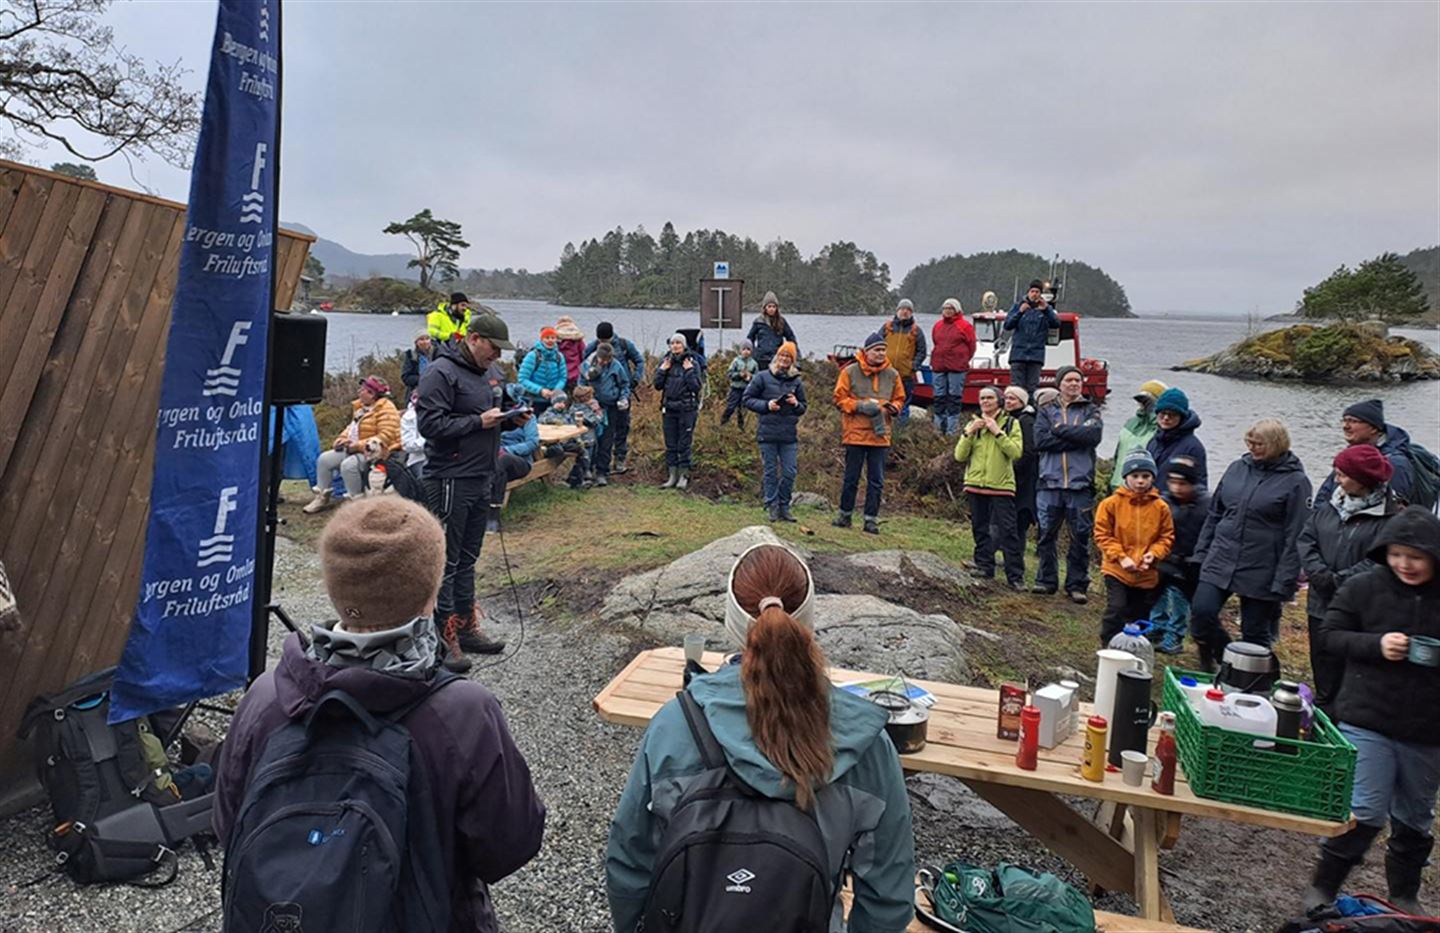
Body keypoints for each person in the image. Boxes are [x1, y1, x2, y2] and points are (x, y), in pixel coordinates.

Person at [214, 497, 546, 933]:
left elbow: (227, 825)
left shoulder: (265, 697)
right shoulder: (463, 711)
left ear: (337, 589)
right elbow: (508, 846)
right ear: (432, 589)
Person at [604, 543, 917, 933]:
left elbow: (629, 860)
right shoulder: (868, 744)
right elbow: (889, 893)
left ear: (732, 623)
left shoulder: (675, 724)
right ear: (808, 621)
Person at [1307, 506, 1440, 914]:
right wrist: (1376, 645)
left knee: (1416, 817)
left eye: (1415, 557)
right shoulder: (1365, 587)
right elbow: (1330, 635)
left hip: (1428, 727)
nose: (1405, 564)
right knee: (1365, 808)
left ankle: (1404, 895)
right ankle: (1322, 888)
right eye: (1397, 554)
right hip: (1368, 717)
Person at [416, 310, 516, 669]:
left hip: (481, 475)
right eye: (493, 347)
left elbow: (492, 411)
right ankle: (442, 639)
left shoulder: (489, 372)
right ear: (473, 339)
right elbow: (429, 424)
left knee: (469, 559)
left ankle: (466, 626)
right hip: (449, 477)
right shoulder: (439, 373)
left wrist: (511, 416)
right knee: (447, 560)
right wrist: (478, 422)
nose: (498, 356)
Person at [1190, 418, 1311, 661]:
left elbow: (1296, 533)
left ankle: (1254, 681)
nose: (1253, 448)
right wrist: (1201, 553)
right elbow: (1215, 513)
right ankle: (1228, 658)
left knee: (1254, 633)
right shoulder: (1237, 468)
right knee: (1201, 613)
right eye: (1250, 442)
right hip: (1221, 557)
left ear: (1276, 444)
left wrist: (1285, 580)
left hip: (1262, 566)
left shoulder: (1296, 482)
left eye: (1259, 444)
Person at [1297, 444, 1400, 712]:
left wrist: (1339, 581)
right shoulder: (1331, 504)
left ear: (1363, 479)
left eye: (1342, 474)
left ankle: (1342, 722)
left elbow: (1379, 559)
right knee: (1321, 663)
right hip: (1319, 600)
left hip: (1357, 607)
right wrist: (1318, 573)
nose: (1336, 479)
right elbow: (1307, 539)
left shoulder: (1389, 517)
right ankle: (1322, 713)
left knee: (1346, 668)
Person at [1032, 366, 1104, 603]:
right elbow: (1041, 441)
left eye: (1078, 380)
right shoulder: (1046, 411)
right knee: (1045, 536)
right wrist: (1075, 437)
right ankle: (1046, 580)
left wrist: (1061, 430)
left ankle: (1077, 584)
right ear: (1059, 384)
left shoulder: (1091, 410)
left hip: (1079, 484)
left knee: (1080, 537)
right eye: (1069, 380)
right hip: (1049, 482)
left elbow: (1092, 437)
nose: (1074, 384)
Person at [1094, 449, 1176, 644]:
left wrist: (1153, 555)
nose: (1140, 481)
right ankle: (1108, 645)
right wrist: (1121, 557)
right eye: (1135, 476)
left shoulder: (1161, 507)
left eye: (1146, 476)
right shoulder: (1110, 504)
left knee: (1139, 613)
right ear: (1126, 477)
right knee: (1117, 608)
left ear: (1153, 478)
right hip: (1116, 568)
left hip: (1146, 572)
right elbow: (1102, 534)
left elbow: (1166, 537)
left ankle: (1133, 648)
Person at [832, 331, 906, 535]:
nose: (881, 353)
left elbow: (900, 398)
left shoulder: (893, 374)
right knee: (851, 477)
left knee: (876, 480)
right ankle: (844, 515)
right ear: (866, 352)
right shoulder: (849, 372)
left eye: (883, 350)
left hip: (881, 436)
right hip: (855, 433)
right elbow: (839, 399)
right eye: (877, 350)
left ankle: (870, 519)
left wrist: (893, 408)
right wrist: (859, 406)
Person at [954, 386, 1025, 589]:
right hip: (975, 484)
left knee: (1009, 531)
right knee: (980, 528)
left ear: (999, 401)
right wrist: (968, 433)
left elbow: (1016, 452)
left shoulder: (1012, 423)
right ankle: (984, 565)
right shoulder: (972, 424)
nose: (985, 401)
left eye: (990, 398)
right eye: (982, 398)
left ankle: (1015, 576)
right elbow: (959, 456)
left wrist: (997, 432)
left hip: (1001, 485)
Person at [304, 375, 401, 514]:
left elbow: (385, 437)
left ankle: (357, 504)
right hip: (355, 448)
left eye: (363, 390)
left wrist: (357, 446)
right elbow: (351, 428)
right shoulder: (361, 408)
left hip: (377, 453)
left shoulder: (386, 410)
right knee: (324, 460)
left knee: (348, 465)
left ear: (372, 394)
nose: (359, 392)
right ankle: (321, 497)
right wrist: (341, 439)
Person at [743, 341, 807, 522]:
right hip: (767, 432)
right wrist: (766, 405)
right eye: (782, 355)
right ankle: (772, 505)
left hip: (788, 434)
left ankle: (784, 506)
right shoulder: (762, 377)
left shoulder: (796, 381)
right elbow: (747, 399)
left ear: (792, 360)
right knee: (770, 472)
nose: (784, 359)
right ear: (777, 356)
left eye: (788, 357)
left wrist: (796, 404)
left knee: (789, 472)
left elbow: (803, 407)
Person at [1314, 399, 1417, 506]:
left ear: (1373, 428)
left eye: (1353, 421)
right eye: (1344, 420)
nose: (1345, 426)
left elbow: (1394, 509)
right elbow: (1325, 495)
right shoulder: (1349, 457)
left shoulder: (1395, 463)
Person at [584, 322, 644, 473]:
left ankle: (620, 459)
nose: (603, 343)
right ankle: (597, 464)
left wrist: (635, 379)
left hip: (622, 392)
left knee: (622, 427)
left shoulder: (624, 345)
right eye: (600, 340)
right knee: (603, 432)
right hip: (600, 399)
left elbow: (639, 361)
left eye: (606, 340)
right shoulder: (593, 348)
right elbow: (583, 363)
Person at [654, 333, 702, 490]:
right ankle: (672, 475)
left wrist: (688, 371)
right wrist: (662, 370)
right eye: (672, 343)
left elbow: (696, 387)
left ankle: (684, 475)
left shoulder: (692, 363)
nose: (675, 346)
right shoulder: (666, 362)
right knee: (671, 444)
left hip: (687, 409)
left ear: (684, 345)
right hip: (669, 409)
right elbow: (657, 385)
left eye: (678, 343)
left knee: (684, 444)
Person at [580, 340, 632, 486]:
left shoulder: (616, 366)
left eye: (607, 359)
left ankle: (603, 471)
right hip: (591, 408)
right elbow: (581, 383)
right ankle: (587, 470)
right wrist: (587, 399)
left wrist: (623, 398)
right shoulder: (587, 364)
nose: (604, 362)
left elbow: (624, 384)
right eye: (602, 359)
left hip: (611, 408)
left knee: (607, 440)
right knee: (590, 439)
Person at [490, 386, 539, 533]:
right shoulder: (496, 415)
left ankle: (493, 516)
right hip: (492, 456)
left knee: (501, 462)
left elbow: (532, 443)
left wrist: (507, 450)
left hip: (519, 460)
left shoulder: (526, 416)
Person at [1003, 279, 1060, 398]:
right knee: (1016, 389)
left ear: (1041, 294)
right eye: (1032, 291)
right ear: (1028, 292)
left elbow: (1056, 324)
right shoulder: (1018, 306)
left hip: (1036, 355)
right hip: (1018, 355)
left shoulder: (1046, 309)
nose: (1035, 294)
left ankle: (1030, 412)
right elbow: (1007, 325)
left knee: (1032, 389)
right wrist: (1020, 312)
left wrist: (1047, 310)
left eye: (1037, 292)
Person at [1108, 380, 1167, 491]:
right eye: (1141, 400)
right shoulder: (1130, 423)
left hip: (1140, 489)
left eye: (1147, 401)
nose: (1142, 404)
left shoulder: (1160, 428)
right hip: (1118, 485)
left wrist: (1153, 412)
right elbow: (1118, 454)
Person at [930, 297, 976, 435]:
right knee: (939, 397)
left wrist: (963, 359)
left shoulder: (965, 326)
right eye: (945, 308)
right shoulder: (937, 326)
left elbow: (971, 345)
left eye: (950, 308)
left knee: (954, 398)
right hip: (939, 365)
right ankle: (938, 429)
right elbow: (935, 341)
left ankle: (951, 430)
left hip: (957, 367)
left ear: (957, 310)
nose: (947, 311)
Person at [1147, 388, 1208, 490]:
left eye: (1172, 414)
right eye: (1162, 413)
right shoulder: (1153, 441)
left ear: (1181, 417)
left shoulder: (1193, 447)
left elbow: (1200, 486)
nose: (1166, 418)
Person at [1004, 385, 1039, 553]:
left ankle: (1015, 555)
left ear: (1022, 401)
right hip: (1014, 476)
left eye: (1012, 399)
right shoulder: (1009, 418)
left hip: (1025, 478)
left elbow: (1029, 451)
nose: (1008, 402)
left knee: (1019, 517)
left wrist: (1013, 469)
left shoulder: (1026, 421)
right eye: (1006, 398)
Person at [882, 299, 928, 421]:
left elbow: (922, 351)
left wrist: (913, 366)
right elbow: (876, 346)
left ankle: (902, 432)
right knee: (884, 403)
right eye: (902, 309)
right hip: (885, 374)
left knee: (904, 404)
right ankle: (886, 430)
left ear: (911, 313)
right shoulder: (887, 327)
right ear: (897, 311)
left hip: (906, 376)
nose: (905, 312)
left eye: (908, 310)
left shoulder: (916, 330)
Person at [517, 326, 567, 413]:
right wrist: (540, 390)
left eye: (553, 337)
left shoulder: (559, 356)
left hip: (553, 401)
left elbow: (562, 377)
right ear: (542, 339)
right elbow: (522, 379)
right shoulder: (532, 356)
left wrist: (556, 390)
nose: (550, 340)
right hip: (534, 401)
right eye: (547, 337)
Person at [745, 291, 799, 370]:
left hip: (777, 358)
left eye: (774, 306)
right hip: (760, 359)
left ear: (777, 308)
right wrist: (753, 353)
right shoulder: (758, 322)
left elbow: (791, 338)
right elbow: (749, 339)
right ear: (765, 307)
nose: (772, 309)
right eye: (769, 306)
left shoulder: (782, 322)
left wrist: (792, 354)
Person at [568, 385, 603, 489]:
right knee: (585, 459)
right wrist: (598, 412)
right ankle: (581, 479)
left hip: (591, 437)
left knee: (590, 457)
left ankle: (581, 477)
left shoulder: (575, 407)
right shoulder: (580, 410)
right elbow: (594, 421)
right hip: (585, 439)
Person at [722, 340, 758, 429]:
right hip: (735, 388)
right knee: (731, 407)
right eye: (744, 349)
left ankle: (741, 428)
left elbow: (757, 377)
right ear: (741, 350)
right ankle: (723, 423)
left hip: (746, 389)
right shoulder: (736, 361)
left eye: (748, 349)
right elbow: (729, 374)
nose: (746, 351)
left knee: (742, 409)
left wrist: (751, 377)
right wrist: (739, 375)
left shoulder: (754, 363)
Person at [400, 391, 427, 479]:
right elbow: (407, 445)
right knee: (425, 477)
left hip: (446, 459)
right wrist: (430, 440)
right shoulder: (408, 417)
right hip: (419, 460)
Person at [554, 316, 586, 391]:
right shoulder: (578, 341)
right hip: (575, 375)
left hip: (559, 377)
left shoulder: (555, 341)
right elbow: (584, 356)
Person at [401, 331, 436, 396]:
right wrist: (424, 379)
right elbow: (405, 377)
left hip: (435, 391)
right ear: (416, 342)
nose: (425, 342)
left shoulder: (437, 354)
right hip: (416, 391)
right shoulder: (410, 356)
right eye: (421, 339)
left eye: (427, 339)